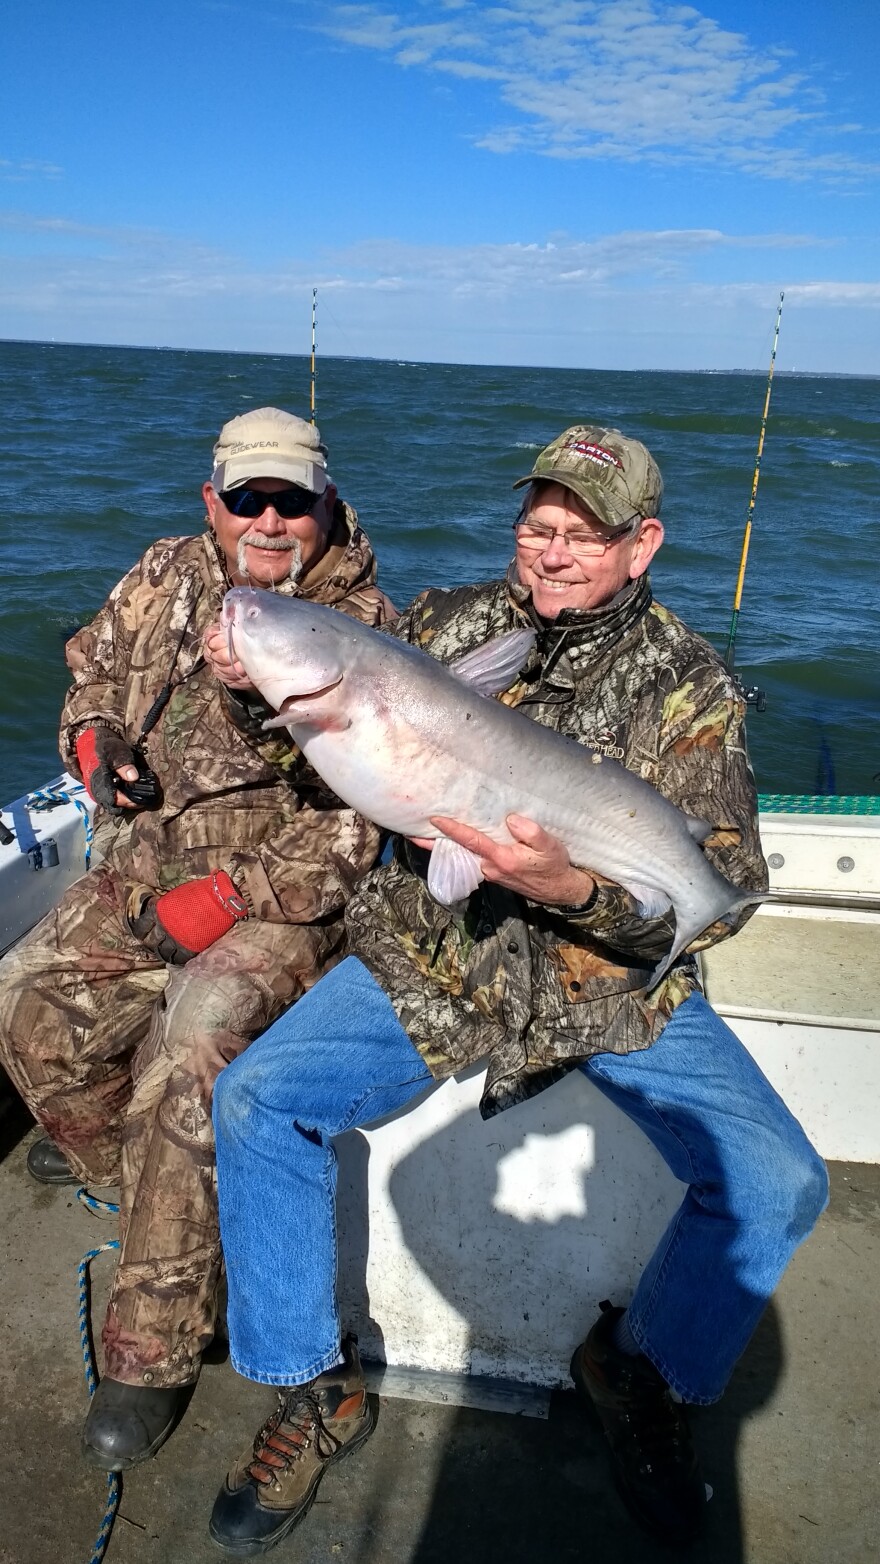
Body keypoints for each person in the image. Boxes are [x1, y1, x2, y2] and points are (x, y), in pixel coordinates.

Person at [207, 424, 828, 1553]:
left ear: (641, 546)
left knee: (777, 1181)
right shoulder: (446, 623)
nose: (549, 554)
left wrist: (577, 889)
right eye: (536, 527)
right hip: (440, 960)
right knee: (257, 1099)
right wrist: (257, 693)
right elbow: (335, 748)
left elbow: (723, 887)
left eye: (582, 536)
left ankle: (638, 1370)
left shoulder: (689, 685)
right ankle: (311, 1377)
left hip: (604, 984)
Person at [0, 406, 395, 1471]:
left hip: (273, 903)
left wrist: (234, 892)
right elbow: (90, 663)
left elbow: (364, 822)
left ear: (323, 504)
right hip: (136, 871)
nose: (270, 521)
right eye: (249, 498)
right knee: (29, 1007)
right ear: (211, 501)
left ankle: (155, 1345)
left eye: (293, 501)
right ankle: (166, 1218)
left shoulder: (357, 623)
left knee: (191, 1053)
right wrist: (95, 739)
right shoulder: (164, 569)